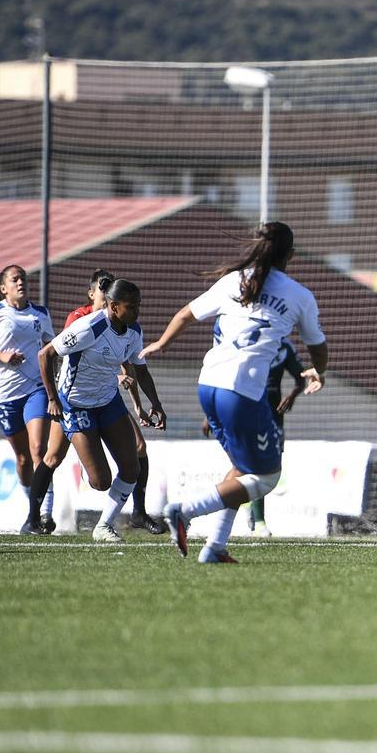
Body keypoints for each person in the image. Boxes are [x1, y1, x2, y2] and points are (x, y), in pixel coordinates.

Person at [140, 221, 327, 564]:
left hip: (208, 385)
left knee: (241, 468)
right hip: (241, 394)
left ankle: (215, 547)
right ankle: (185, 510)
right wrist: (319, 370)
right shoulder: (299, 295)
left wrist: (162, 343)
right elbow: (318, 346)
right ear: (291, 255)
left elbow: (185, 314)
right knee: (267, 477)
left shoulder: (233, 281)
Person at [25, 269, 166, 536]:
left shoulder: (134, 331)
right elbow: (45, 354)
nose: (137, 312)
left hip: (108, 401)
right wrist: (53, 398)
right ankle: (34, 516)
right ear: (114, 306)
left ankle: (104, 526)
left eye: (139, 306)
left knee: (131, 467)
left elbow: (140, 369)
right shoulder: (89, 327)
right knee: (100, 481)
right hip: (76, 404)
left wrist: (155, 403)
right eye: (131, 307)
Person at [0, 265, 59, 530]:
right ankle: (32, 508)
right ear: (3, 287)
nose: (21, 283)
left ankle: (44, 514)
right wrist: (0, 355)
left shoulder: (40, 313)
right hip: (5, 394)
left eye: (23, 279)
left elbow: (52, 347)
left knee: (39, 449)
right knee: (23, 459)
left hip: (36, 389)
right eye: (15, 279)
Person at [202, 336, 307, 537]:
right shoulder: (245, 341)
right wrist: (210, 413)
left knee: (266, 467)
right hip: (244, 409)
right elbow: (222, 376)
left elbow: (300, 378)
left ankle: (246, 511)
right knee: (248, 466)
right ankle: (256, 521)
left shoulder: (284, 347)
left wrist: (292, 396)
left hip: (273, 414)